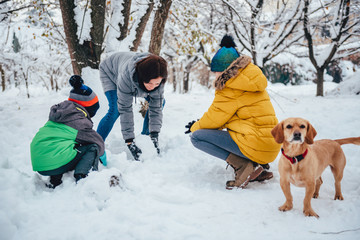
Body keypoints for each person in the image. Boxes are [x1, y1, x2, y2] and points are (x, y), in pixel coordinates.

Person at [185, 35, 281, 189]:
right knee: (245, 131)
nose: (215, 75)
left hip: (257, 145)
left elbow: (214, 120)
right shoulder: (251, 79)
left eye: (216, 72)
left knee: (197, 137)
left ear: (224, 70)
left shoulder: (229, 86)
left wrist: (194, 126)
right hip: (270, 146)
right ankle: (257, 167)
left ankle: (244, 166)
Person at [30, 75, 106, 189]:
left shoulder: (61, 114)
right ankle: (83, 177)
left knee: (63, 145)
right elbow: (99, 144)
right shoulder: (80, 122)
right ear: (88, 108)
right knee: (93, 147)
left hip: (39, 162)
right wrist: (105, 162)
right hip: (54, 161)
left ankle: (55, 179)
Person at [97, 52, 167, 161]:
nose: (153, 87)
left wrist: (154, 135)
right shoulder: (126, 78)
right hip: (110, 72)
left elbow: (156, 108)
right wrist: (129, 141)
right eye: (150, 83)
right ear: (143, 77)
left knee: (159, 102)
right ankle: (95, 145)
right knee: (115, 110)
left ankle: (145, 136)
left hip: (132, 76)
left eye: (156, 84)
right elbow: (125, 109)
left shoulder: (158, 79)